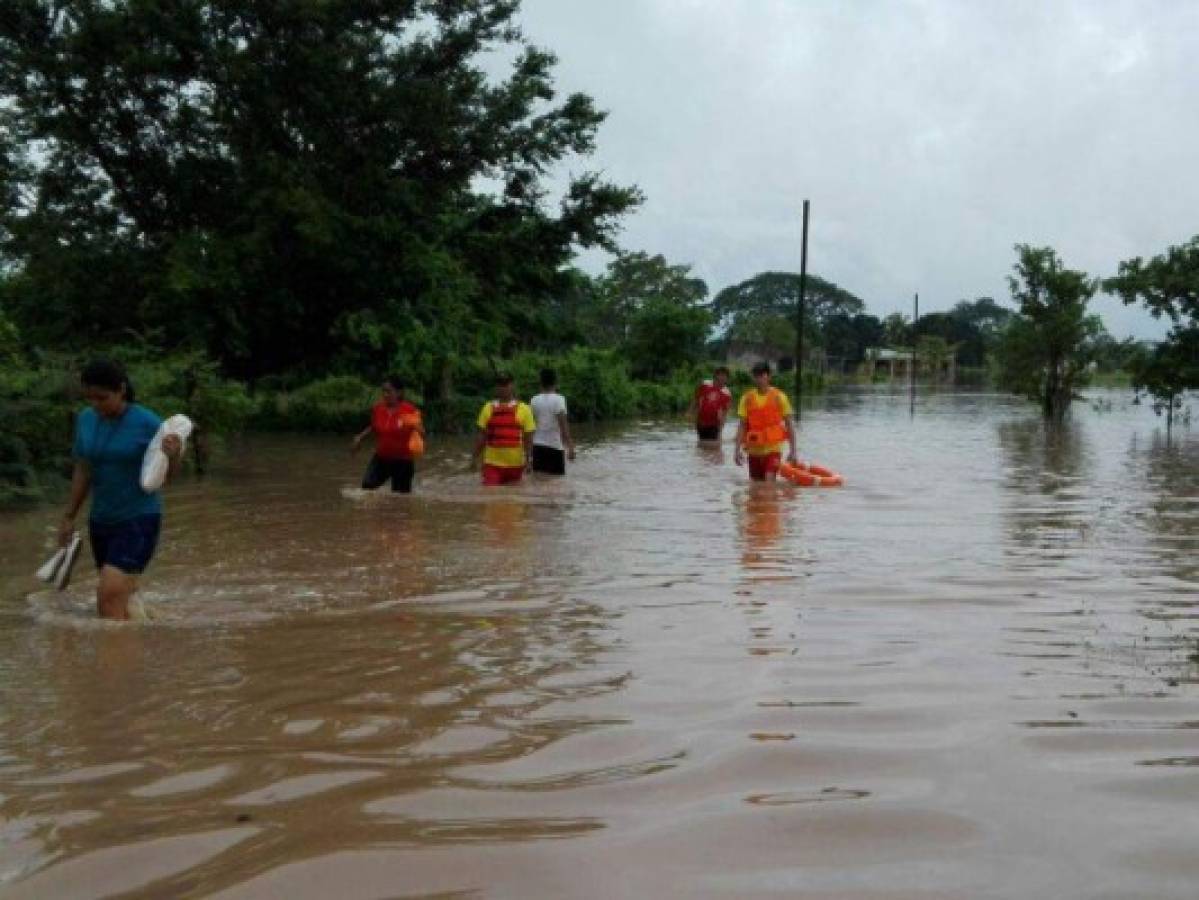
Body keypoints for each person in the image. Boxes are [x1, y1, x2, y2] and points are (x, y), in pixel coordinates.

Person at [58, 359, 182, 620]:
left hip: (138, 519)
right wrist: (69, 516)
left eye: (102, 398)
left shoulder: (148, 423)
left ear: (121, 390)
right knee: (119, 597)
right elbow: (84, 469)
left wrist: (173, 456)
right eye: (89, 398)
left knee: (108, 596)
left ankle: (114, 659)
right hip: (101, 520)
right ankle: (143, 638)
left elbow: (166, 478)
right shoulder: (86, 420)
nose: (95, 404)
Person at [352, 375, 424, 494]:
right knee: (367, 487)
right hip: (382, 458)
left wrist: (414, 426)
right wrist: (360, 437)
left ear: (399, 392)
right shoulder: (378, 408)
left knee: (400, 500)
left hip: (403, 461)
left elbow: (422, 432)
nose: (385, 394)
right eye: (383, 391)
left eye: (389, 391)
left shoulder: (409, 410)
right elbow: (374, 426)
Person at [733, 362, 799, 481]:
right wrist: (736, 451)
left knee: (768, 483)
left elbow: (789, 424)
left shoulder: (779, 397)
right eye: (756, 376)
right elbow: (741, 426)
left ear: (768, 376)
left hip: (773, 449)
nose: (759, 379)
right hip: (754, 450)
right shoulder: (747, 398)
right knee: (756, 486)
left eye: (762, 376)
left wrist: (793, 450)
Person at [473, 373, 536, 486]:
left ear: (512, 385)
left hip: (515, 466)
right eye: (500, 384)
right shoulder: (487, 408)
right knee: (490, 497)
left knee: (514, 500)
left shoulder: (525, 409)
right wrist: (474, 458)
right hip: (492, 465)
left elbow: (528, 439)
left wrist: (529, 460)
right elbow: (481, 437)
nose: (503, 388)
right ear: (496, 387)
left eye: (506, 384)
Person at [529, 368, 576, 475]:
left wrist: (528, 452)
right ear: (555, 382)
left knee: (538, 481)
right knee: (557, 484)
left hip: (537, 447)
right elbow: (563, 427)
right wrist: (570, 447)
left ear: (540, 382)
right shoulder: (559, 399)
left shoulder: (533, 400)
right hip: (554, 447)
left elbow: (530, 427)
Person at [689, 366, 733, 441]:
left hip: (714, 424)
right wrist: (690, 412)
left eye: (725, 376)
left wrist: (720, 431)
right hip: (701, 421)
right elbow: (696, 399)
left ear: (727, 378)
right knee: (702, 442)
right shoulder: (705, 385)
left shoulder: (727, 394)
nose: (722, 378)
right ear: (716, 375)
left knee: (712, 444)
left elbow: (725, 413)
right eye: (721, 375)